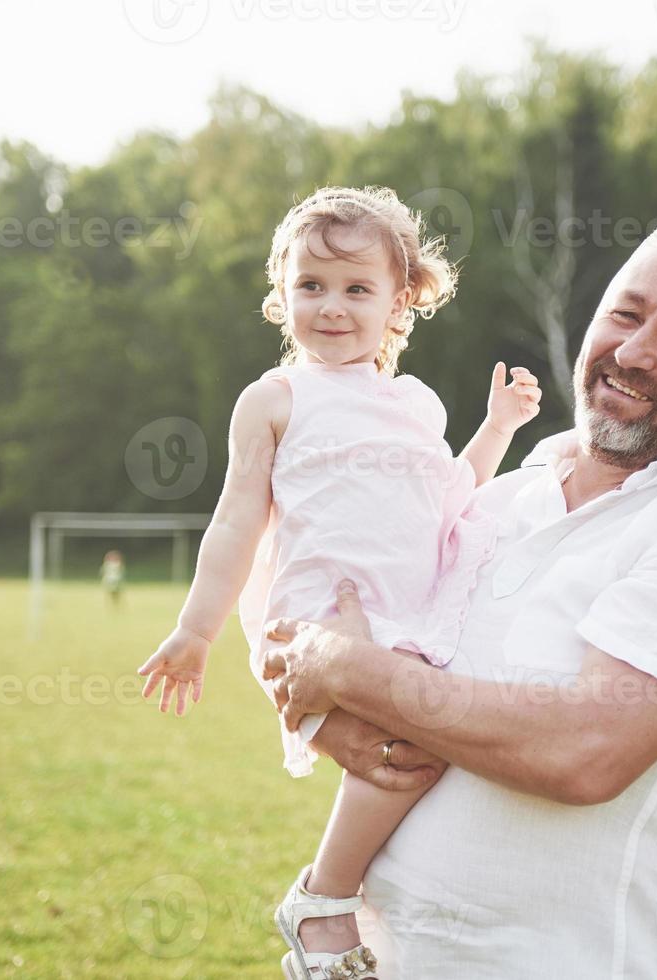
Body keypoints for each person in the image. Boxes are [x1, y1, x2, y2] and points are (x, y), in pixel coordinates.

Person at [260, 218, 657, 976]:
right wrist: (327, 718)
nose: (631, 351)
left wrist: (347, 674)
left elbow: (583, 752)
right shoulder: (498, 497)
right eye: (624, 313)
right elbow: (328, 599)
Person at [135, 185, 542, 979]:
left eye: (358, 289)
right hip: (318, 621)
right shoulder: (275, 401)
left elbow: (449, 496)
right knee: (402, 751)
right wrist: (196, 631)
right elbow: (233, 522)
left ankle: (364, 905)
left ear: (400, 303)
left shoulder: (415, 402)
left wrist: (497, 429)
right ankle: (323, 899)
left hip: (413, 609)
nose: (332, 306)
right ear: (280, 294)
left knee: (416, 750)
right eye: (310, 286)